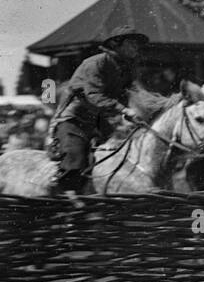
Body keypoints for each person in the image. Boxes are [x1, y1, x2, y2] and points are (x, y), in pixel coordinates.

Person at [47, 26, 147, 194]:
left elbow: (128, 94)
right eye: (131, 43)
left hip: (100, 122)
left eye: (137, 44)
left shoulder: (126, 67)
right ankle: (64, 199)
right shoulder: (95, 63)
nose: (136, 48)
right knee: (75, 161)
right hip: (73, 121)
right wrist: (124, 110)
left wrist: (134, 113)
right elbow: (94, 95)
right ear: (117, 44)